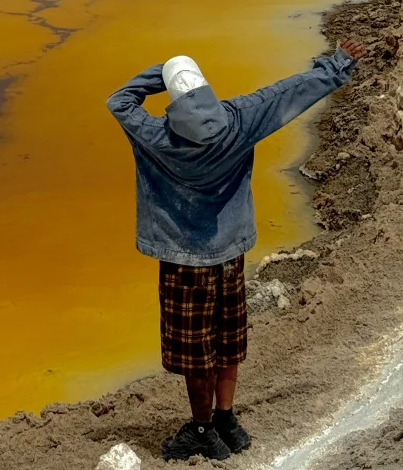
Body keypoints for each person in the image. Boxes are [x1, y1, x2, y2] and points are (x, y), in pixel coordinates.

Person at [106, 38, 365, 462]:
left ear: (174, 97)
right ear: (205, 89)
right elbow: (290, 92)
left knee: (196, 353)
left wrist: (161, 72)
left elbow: (120, 101)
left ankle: (203, 429)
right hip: (229, 254)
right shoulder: (239, 119)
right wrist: (338, 65)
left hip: (184, 260)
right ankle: (227, 418)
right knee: (227, 342)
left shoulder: (156, 135)